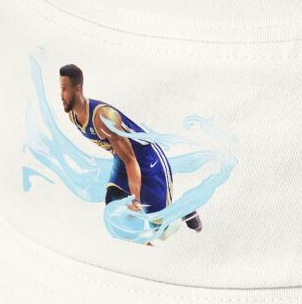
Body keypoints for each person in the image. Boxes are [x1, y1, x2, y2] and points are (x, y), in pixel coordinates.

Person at [58, 63, 202, 240]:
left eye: (64, 89)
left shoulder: (103, 117)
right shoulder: (73, 116)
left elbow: (131, 160)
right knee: (114, 207)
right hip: (122, 159)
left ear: (77, 89)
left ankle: (184, 208)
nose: (61, 95)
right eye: (60, 89)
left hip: (147, 160)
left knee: (162, 233)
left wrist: (136, 200)